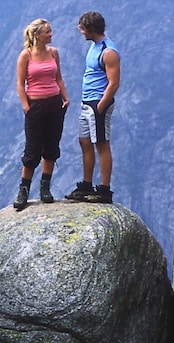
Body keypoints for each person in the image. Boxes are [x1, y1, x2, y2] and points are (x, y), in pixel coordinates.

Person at [14, 18, 70, 210]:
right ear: (37, 34)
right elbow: (20, 83)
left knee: (51, 146)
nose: (51, 34)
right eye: (48, 31)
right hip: (35, 105)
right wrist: (26, 107)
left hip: (54, 103)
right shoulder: (26, 56)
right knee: (32, 149)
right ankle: (24, 190)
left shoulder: (54, 53)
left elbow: (58, 78)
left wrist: (65, 98)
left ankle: (45, 187)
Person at [67, 11, 120, 204]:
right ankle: (86, 185)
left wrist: (101, 105)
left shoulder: (109, 51)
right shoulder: (94, 47)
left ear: (90, 28)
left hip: (98, 103)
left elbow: (114, 83)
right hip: (86, 102)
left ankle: (104, 190)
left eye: (82, 28)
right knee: (85, 142)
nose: (81, 32)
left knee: (102, 144)